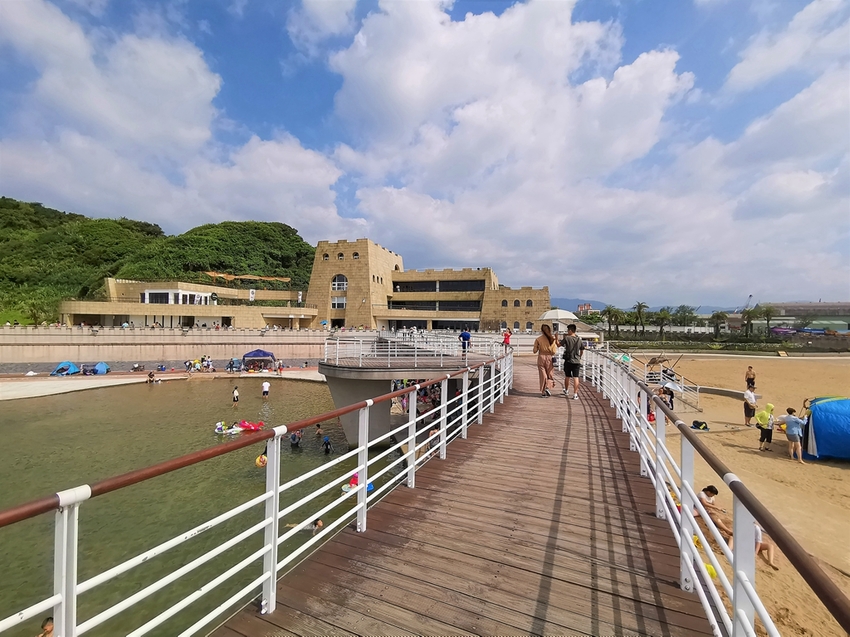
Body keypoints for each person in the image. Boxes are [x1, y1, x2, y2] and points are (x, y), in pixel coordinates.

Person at [559, 324, 584, 400]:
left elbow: (558, 345)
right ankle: (575, 394)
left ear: (570, 330)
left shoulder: (567, 338)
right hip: (577, 361)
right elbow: (582, 350)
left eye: (568, 330)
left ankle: (566, 390)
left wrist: (556, 338)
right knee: (576, 377)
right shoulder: (579, 339)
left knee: (567, 376)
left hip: (568, 361)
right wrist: (579, 356)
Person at [533, 324, 558, 397]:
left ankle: (543, 392)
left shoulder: (538, 339)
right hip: (550, 358)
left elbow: (534, 351)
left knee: (542, 375)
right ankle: (547, 386)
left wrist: (538, 347)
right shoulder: (552, 339)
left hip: (541, 357)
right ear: (549, 330)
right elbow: (553, 352)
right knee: (550, 374)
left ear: (542, 330)